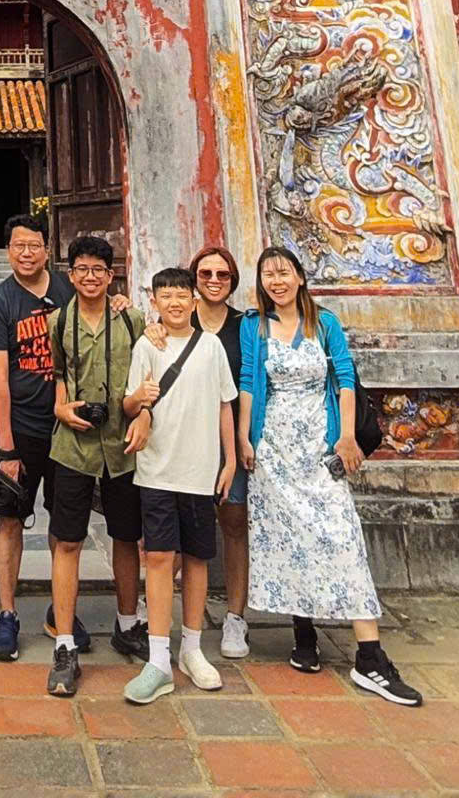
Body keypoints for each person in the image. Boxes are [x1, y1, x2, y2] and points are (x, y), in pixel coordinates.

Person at [236, 243, 422, 706]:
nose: (276, 281)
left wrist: (346, 438)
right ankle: (303, 636)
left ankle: (370, 656)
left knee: (341, 539)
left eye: (283, 272)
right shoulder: (253, 327)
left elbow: (343, 378)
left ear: (300, 276)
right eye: (267, 275)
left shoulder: (327, 323)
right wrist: (244, 438)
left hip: (320, 449)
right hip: (275, 450)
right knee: (292, 540)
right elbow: (247, 382)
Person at [121, 265, 238, 704]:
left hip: (200, 468)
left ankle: (192, 648)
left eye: (180, 295)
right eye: (164, 295)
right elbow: (129, 402)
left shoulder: (211, 347)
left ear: (194, 300)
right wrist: (141, 402)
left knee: (197, 558)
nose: (173, 302)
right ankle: (157, 658)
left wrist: (228, 461)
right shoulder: (146, 346)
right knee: (157, 557)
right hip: (156, 469)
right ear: (153, 301)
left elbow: (226, 405)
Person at [42, 232, 149, 698]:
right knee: (68, 541)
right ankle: (64, 642)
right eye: (81, 269)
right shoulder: (57, 322)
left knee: (127, 536)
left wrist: (144, 414)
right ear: (71, 274)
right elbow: (59, 375)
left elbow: (151, 377)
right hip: (73, 448)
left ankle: (128, 623)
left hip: (122, 447)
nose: (90, 278)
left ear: (112, 276)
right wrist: (62, 409)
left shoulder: (133, 321)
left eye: (99, 271)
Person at [0, 212, 73, 661]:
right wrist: (6, 446)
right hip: (22, 429)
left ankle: (62, 610)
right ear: (7, 251)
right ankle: (7, 613)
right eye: (18, 245)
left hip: (66, 428)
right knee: (10, 519)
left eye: (34, 245)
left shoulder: (68, 290)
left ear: (47, 249)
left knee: (64, 523)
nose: (27, 253)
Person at [189, 243, 254, 660]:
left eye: (223, 275)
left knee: (233, 525)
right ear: (193, 276)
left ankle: (235, 618)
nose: (214, 281)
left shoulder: (246, 327)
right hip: (185, 440)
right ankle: (165, 616)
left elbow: (251, 383)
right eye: (206, 273)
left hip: (229, 442)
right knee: (176, 532)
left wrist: (242, 442)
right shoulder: (174, 318)